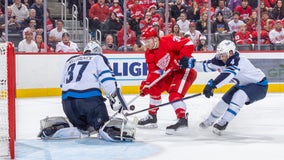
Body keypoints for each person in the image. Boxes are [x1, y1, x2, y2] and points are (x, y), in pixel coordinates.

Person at [180, 40, 268, 135]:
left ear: (230, 53)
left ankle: (223, 123)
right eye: (220, 55)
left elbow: (227, 75)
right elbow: (206, 65)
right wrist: (191, 64)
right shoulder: (222, 60)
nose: (221, 58)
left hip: (260, 86)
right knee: (224, 101)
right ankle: (208, 121)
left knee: (239, 95)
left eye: (223, 55)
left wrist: (213, 85)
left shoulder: (239, 61)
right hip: (242, 85)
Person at [54, 41, 136, 141]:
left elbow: (62, 84)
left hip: (68, 105)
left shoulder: (70, 60)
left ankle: (75, 128)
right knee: (104, 125)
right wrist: (119, 104)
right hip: (89, 103)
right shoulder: (98, 58)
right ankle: (105, 129)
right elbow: (108, 81)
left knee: (83, 127)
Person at [137, 27, 197, 135]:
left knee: (174, 95)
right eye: (144, 42)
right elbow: (154, 73)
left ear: (155, 39)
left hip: (184, 71)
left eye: (148, 41)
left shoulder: (168, 40)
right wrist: (147, 85)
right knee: (153, 87)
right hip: (171, 74)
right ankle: (152, 116)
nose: (146, 44)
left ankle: (182, 119)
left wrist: (179, 59)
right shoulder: (149, 53)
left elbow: (188, 43)